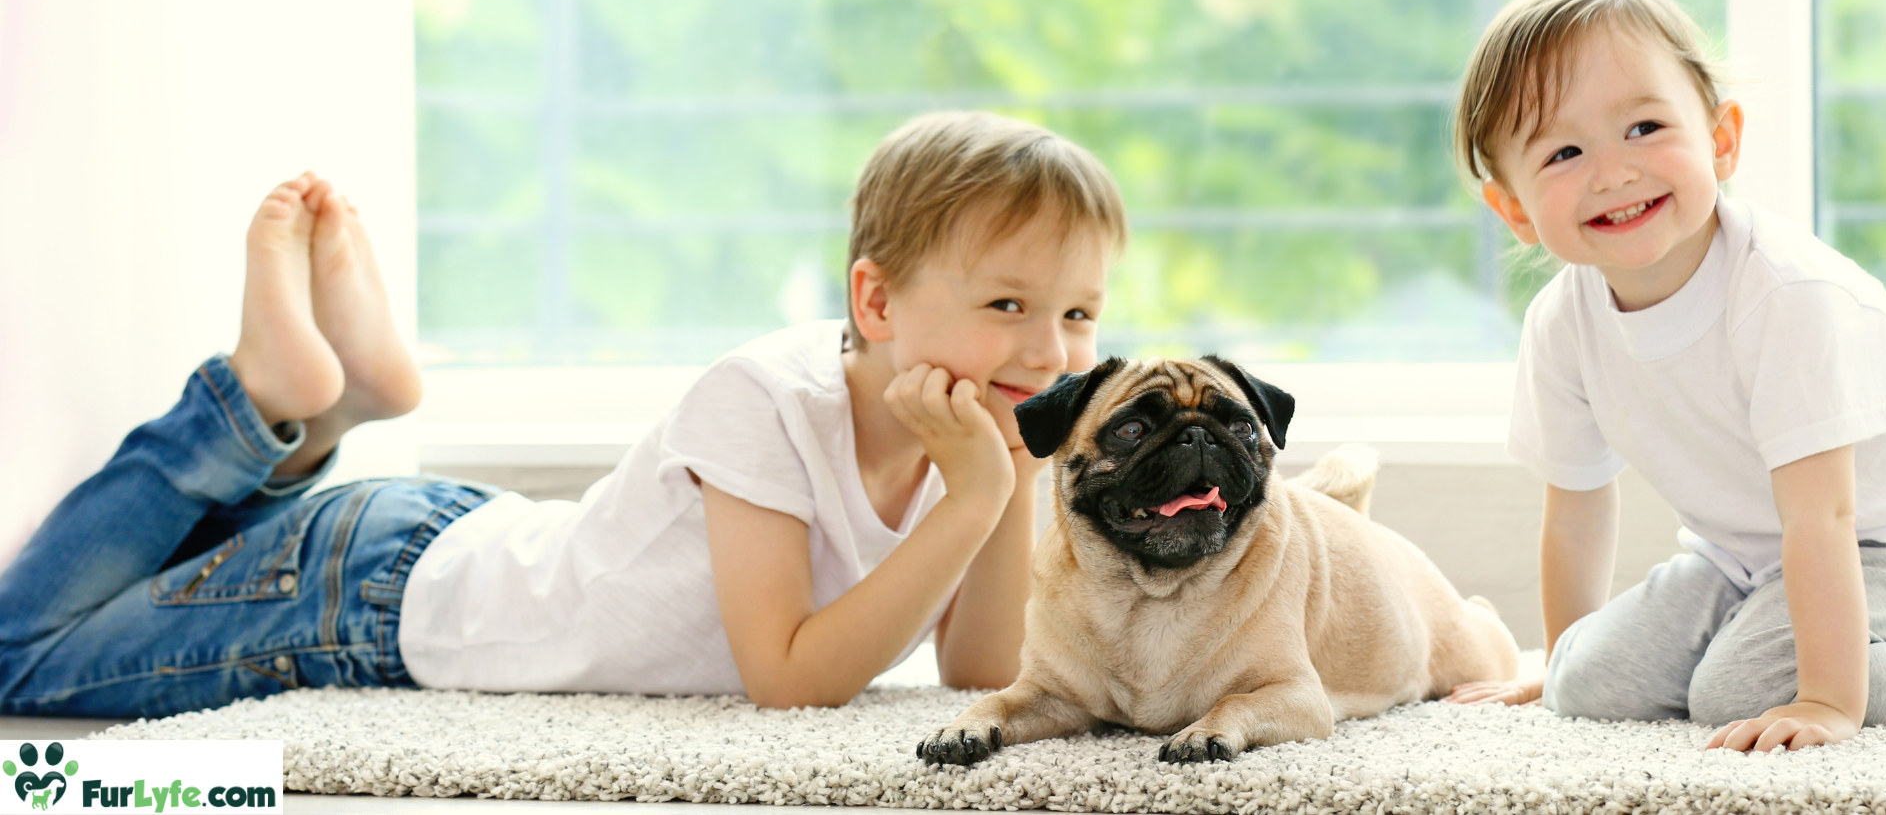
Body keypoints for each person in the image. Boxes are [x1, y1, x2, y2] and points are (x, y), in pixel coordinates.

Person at [0, 111, 1124, 717]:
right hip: (370, 603)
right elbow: (791, 681)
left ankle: (340, 408)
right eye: (1007, 304)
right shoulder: (763, 397)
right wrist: (973, 497)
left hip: (443, 537)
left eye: (1078, 313)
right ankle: (251, 405)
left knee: (173, 565)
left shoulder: (960, 432)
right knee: (17, 660)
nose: (1050, 349)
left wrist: (1008, 480)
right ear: (875, 301)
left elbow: (980, 676)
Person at [1440, 0, 1886, 750]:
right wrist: (1570, 660)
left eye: (1644, 127)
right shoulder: (1561, 323)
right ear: (1514, 210)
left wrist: (1828, 702)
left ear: (1720, 140)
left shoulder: (1787, 297)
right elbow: (1576, 507)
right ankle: (1687, 656)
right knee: (1591, 684)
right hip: (1742, 554)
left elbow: (1824, 516)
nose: (1613, 172)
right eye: (1565, 151)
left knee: (1738, 692)